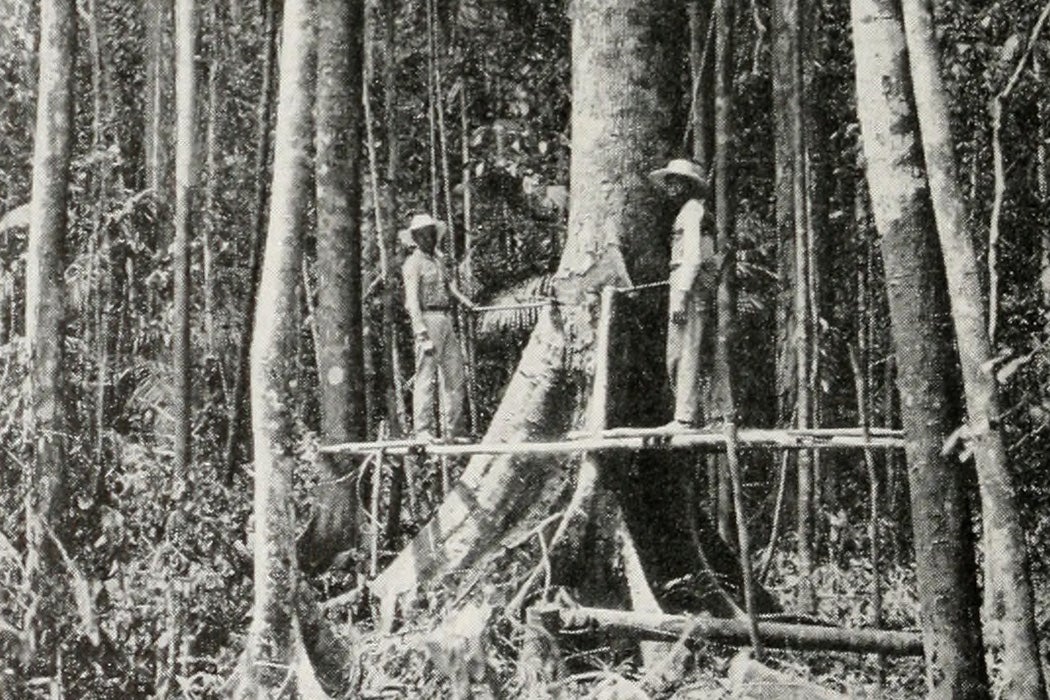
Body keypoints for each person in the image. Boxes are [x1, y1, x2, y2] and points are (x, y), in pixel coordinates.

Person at [648, 159, 724, 430]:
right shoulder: (690, 212)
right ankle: (703, 414)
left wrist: (681, 295)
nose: (671, 186)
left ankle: (685, 417)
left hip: (688, 289)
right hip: (686, 286)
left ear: (689, 185)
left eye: (677, 181)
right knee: (684, 348)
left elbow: (693, 257)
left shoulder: (692, 212)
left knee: (684, 350)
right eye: (669, 181)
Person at [400, 213, 476, 441]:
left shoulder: (438, 260)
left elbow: (448, 286)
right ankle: (423, 431)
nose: (429, 239)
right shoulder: (413, 264)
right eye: (423, 235)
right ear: (415, 238)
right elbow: (412, 300)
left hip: (445, 318)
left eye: (431, 234)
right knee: (426, 376)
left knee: (455, 374)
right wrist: (420, 332)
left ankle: (454, 430)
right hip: (427, 319)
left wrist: (465, 301)